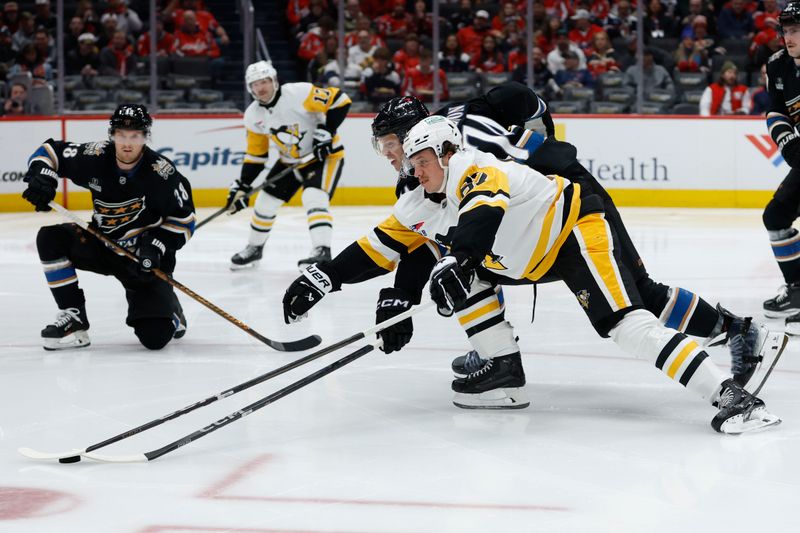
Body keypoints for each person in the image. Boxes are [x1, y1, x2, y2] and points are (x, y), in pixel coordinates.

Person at [283, 87, 786, 407]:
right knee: (458, 272)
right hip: (521, 231)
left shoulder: (464, 142)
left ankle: (734, 332)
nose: (390, 156)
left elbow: (489, 190)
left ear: (423, 138)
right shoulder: (420, 176)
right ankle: (500, 359)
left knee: (638, 297)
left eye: (392, 143)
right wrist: (373, 288)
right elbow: (417, 232)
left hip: (568, 204)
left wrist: (462, 255)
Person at [20, 104, 195, 351]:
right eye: (121, 135)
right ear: (112, 135)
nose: (127, 143)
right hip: (101, 243)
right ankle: (74, 316)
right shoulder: (95, 156)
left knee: (155, 338)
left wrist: (155, 246)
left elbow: (185, 220)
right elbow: (49, 151)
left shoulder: (162, 174)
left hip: (143, 259)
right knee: (50, 238)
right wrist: (43, 175)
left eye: (135, 136)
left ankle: (171, 307)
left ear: (146, 137)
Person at [227, 61, 351, 270]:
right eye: (255, 84)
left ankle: (322, 251)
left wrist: (328, 131)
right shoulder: (253, 115)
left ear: (274, 81)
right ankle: (255, 248)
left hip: (323, 157)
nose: (261, 87)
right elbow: (257, 156)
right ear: (250, 88)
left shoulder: (299, 93)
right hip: (290, 162)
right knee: (264, 202)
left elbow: (341, 100)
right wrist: (243, 185)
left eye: (265, 81)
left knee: (313, 196)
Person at [761, 2, 800, 333]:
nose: (789, 37)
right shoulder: (778, 66)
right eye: (786, 30)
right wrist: (789, 143)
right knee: (775, 216)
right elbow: (776, 111)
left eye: (796, 30)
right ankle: (798, 290)